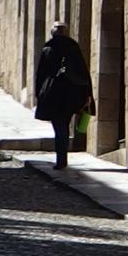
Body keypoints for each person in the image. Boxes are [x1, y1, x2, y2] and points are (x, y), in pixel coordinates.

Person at [33, 21, 92, 169]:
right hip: (71, 94)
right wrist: (87, 95)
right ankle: (62, 157)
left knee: (59, 127)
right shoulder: (73, 48)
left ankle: (61, 159)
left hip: (53, 94)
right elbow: (83, 73)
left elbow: (41, 75)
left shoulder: (48, 49)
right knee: (64, 124)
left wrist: (39, 95)